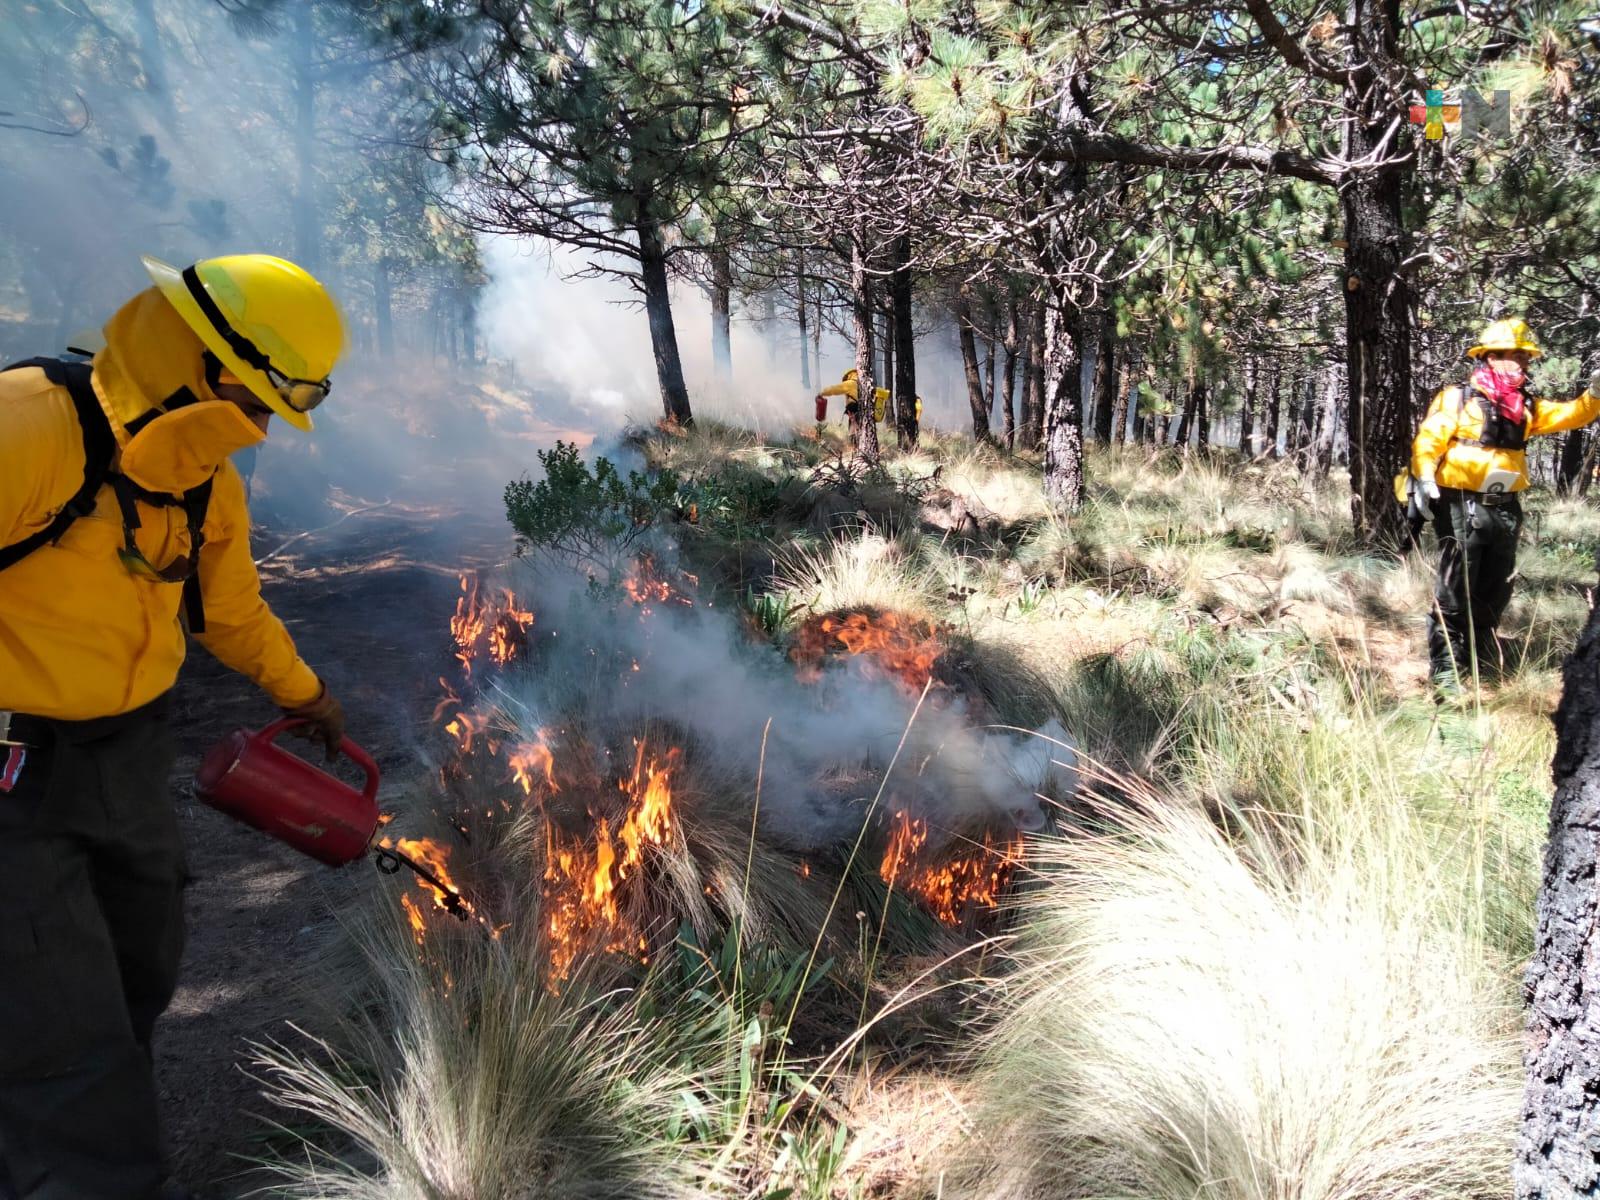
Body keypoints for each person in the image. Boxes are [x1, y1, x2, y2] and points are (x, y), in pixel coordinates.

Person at [0, 253, 348, 1198]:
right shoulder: (28, 427)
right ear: (207, 365)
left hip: (128, 755)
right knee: (64, 1035)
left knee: (137, 971)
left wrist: (303, 693)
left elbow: (230, 613)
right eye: (261, 401)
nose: (266, 428)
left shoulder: (201, 479)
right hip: (13, 773)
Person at [1408, 317, 1600, 695]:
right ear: (1491, 357)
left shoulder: (1525, 406)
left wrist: (1595, 394)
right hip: (1461, 505)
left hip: (1506, 509)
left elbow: (1572, 414)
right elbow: (1429, 438)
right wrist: (1425, 474)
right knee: (1453, 590)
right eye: (1518, 356)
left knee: (1495, 588)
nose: (1525, 363)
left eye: (1527, 357)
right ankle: (1447, 672)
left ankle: (1481, 661)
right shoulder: (1457, 399)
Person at [814, 367, 890, 436]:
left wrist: (822, 393)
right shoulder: (865, 384)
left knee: (854, 434)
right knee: (862, 433)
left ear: (849, 376)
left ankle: (855, 449)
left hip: (855, 412)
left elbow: (834, 389)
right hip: (866, 412)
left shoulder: (850, 383)